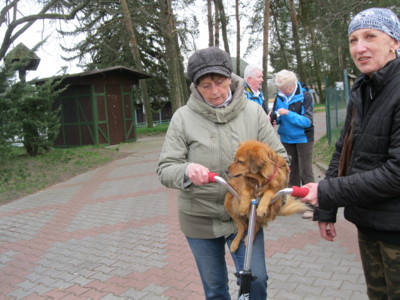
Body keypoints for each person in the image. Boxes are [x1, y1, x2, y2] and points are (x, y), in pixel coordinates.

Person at [157, 47, 288, 300]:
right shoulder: (182, 118)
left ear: (231, 77)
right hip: (200, 217)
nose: (214, 91)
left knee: (256, 280)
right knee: (215, 290)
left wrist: (262, 174)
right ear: (195, 86)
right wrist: (186, 169)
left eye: (219, 82)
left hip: (245, 213)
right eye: (205, 85)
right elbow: (165, 168)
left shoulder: (253, 112)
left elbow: (281, 158)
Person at [299, 8, 400, 299]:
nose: (360, 47)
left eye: (370, 37)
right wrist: (326, 209)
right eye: (353, 40)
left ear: (394, 42)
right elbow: (343, 150)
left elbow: (396, 174)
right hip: (368, 224)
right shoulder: (364, 89)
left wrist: (328, 191)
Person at [272, 69, 315, 219]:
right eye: (280, 88)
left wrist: (288, 113)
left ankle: (312, 206)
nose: (281, 90)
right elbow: (277, 117)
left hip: (303, 139)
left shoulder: (305, 96)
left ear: (292, 84)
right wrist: (274, 118)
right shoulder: (279, 96)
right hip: (286, 139)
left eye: (284, 87)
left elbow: (307, 121)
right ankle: (293, 202)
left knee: (306, 171)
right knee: (291, 172)